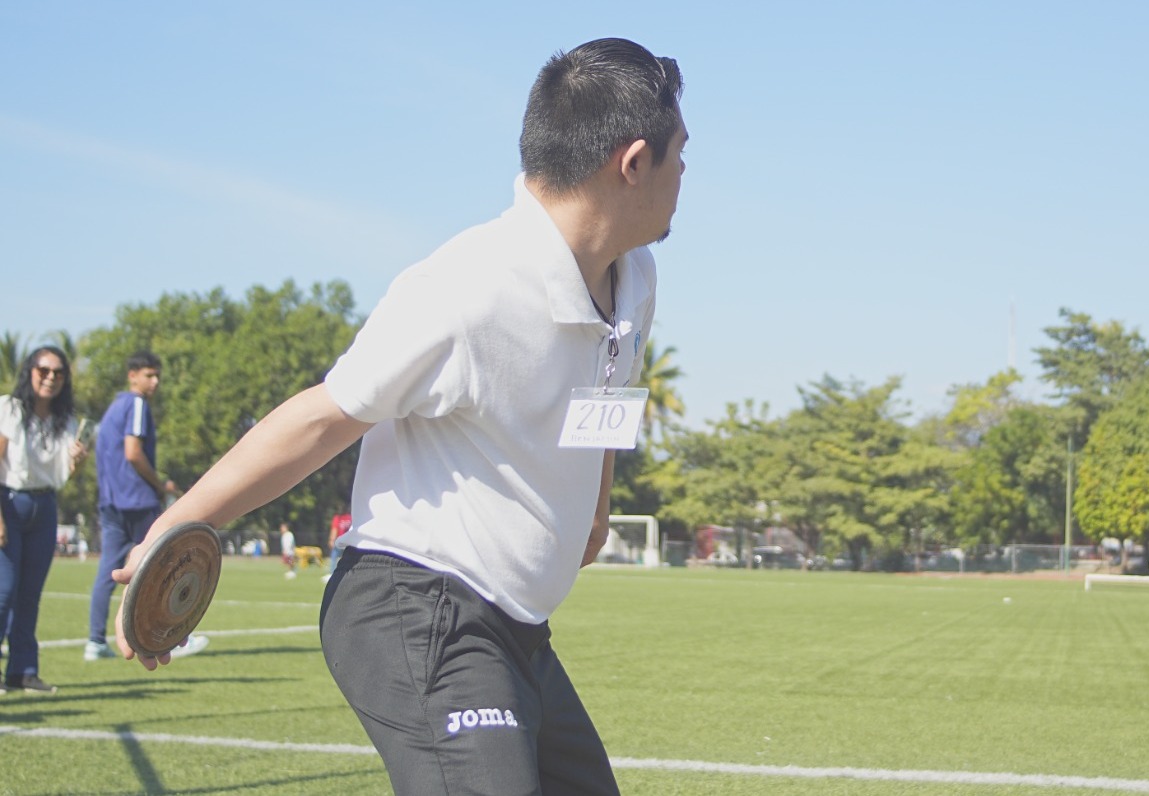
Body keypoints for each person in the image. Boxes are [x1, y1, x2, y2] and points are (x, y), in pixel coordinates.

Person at [114, 37, 685, 794]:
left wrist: (595, 505)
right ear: (633, 162)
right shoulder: (468, 288)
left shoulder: (634, 278)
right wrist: (175, 528)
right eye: (681, 154)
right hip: (413, 605)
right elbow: (321, 419)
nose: (686, 175)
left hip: (517, 629)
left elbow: (604, 387)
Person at [85, 351, 208, 661]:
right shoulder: (136, 404)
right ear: (133, 376)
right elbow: (132, 452)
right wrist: (159, 485)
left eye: (157, 376)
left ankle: (95, 642)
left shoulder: (112, 409)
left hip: (111, 502)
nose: (155, 382)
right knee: (165, 565)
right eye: (149, 375)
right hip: (137, 500)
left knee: (109, 571)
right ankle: (171, 638)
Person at [0, 346, 89, 694]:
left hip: (45, 505)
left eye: (58, 372)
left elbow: (64, 474)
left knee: (30, 594)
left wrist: (78, 461)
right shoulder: (9, 408)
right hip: (9, 502)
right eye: (43, 370)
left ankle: (22, 671)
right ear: (30, 372)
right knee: (4, 590)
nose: (51, 377)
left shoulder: (65, 419)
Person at [324, 509, 351, 581]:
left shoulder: (337, 518)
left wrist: (331, 540)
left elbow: (334, 529)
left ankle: (332, 573)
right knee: (347, 559)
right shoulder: (350, 518)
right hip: (348, 542)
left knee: (334, 558)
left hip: (339, 541)